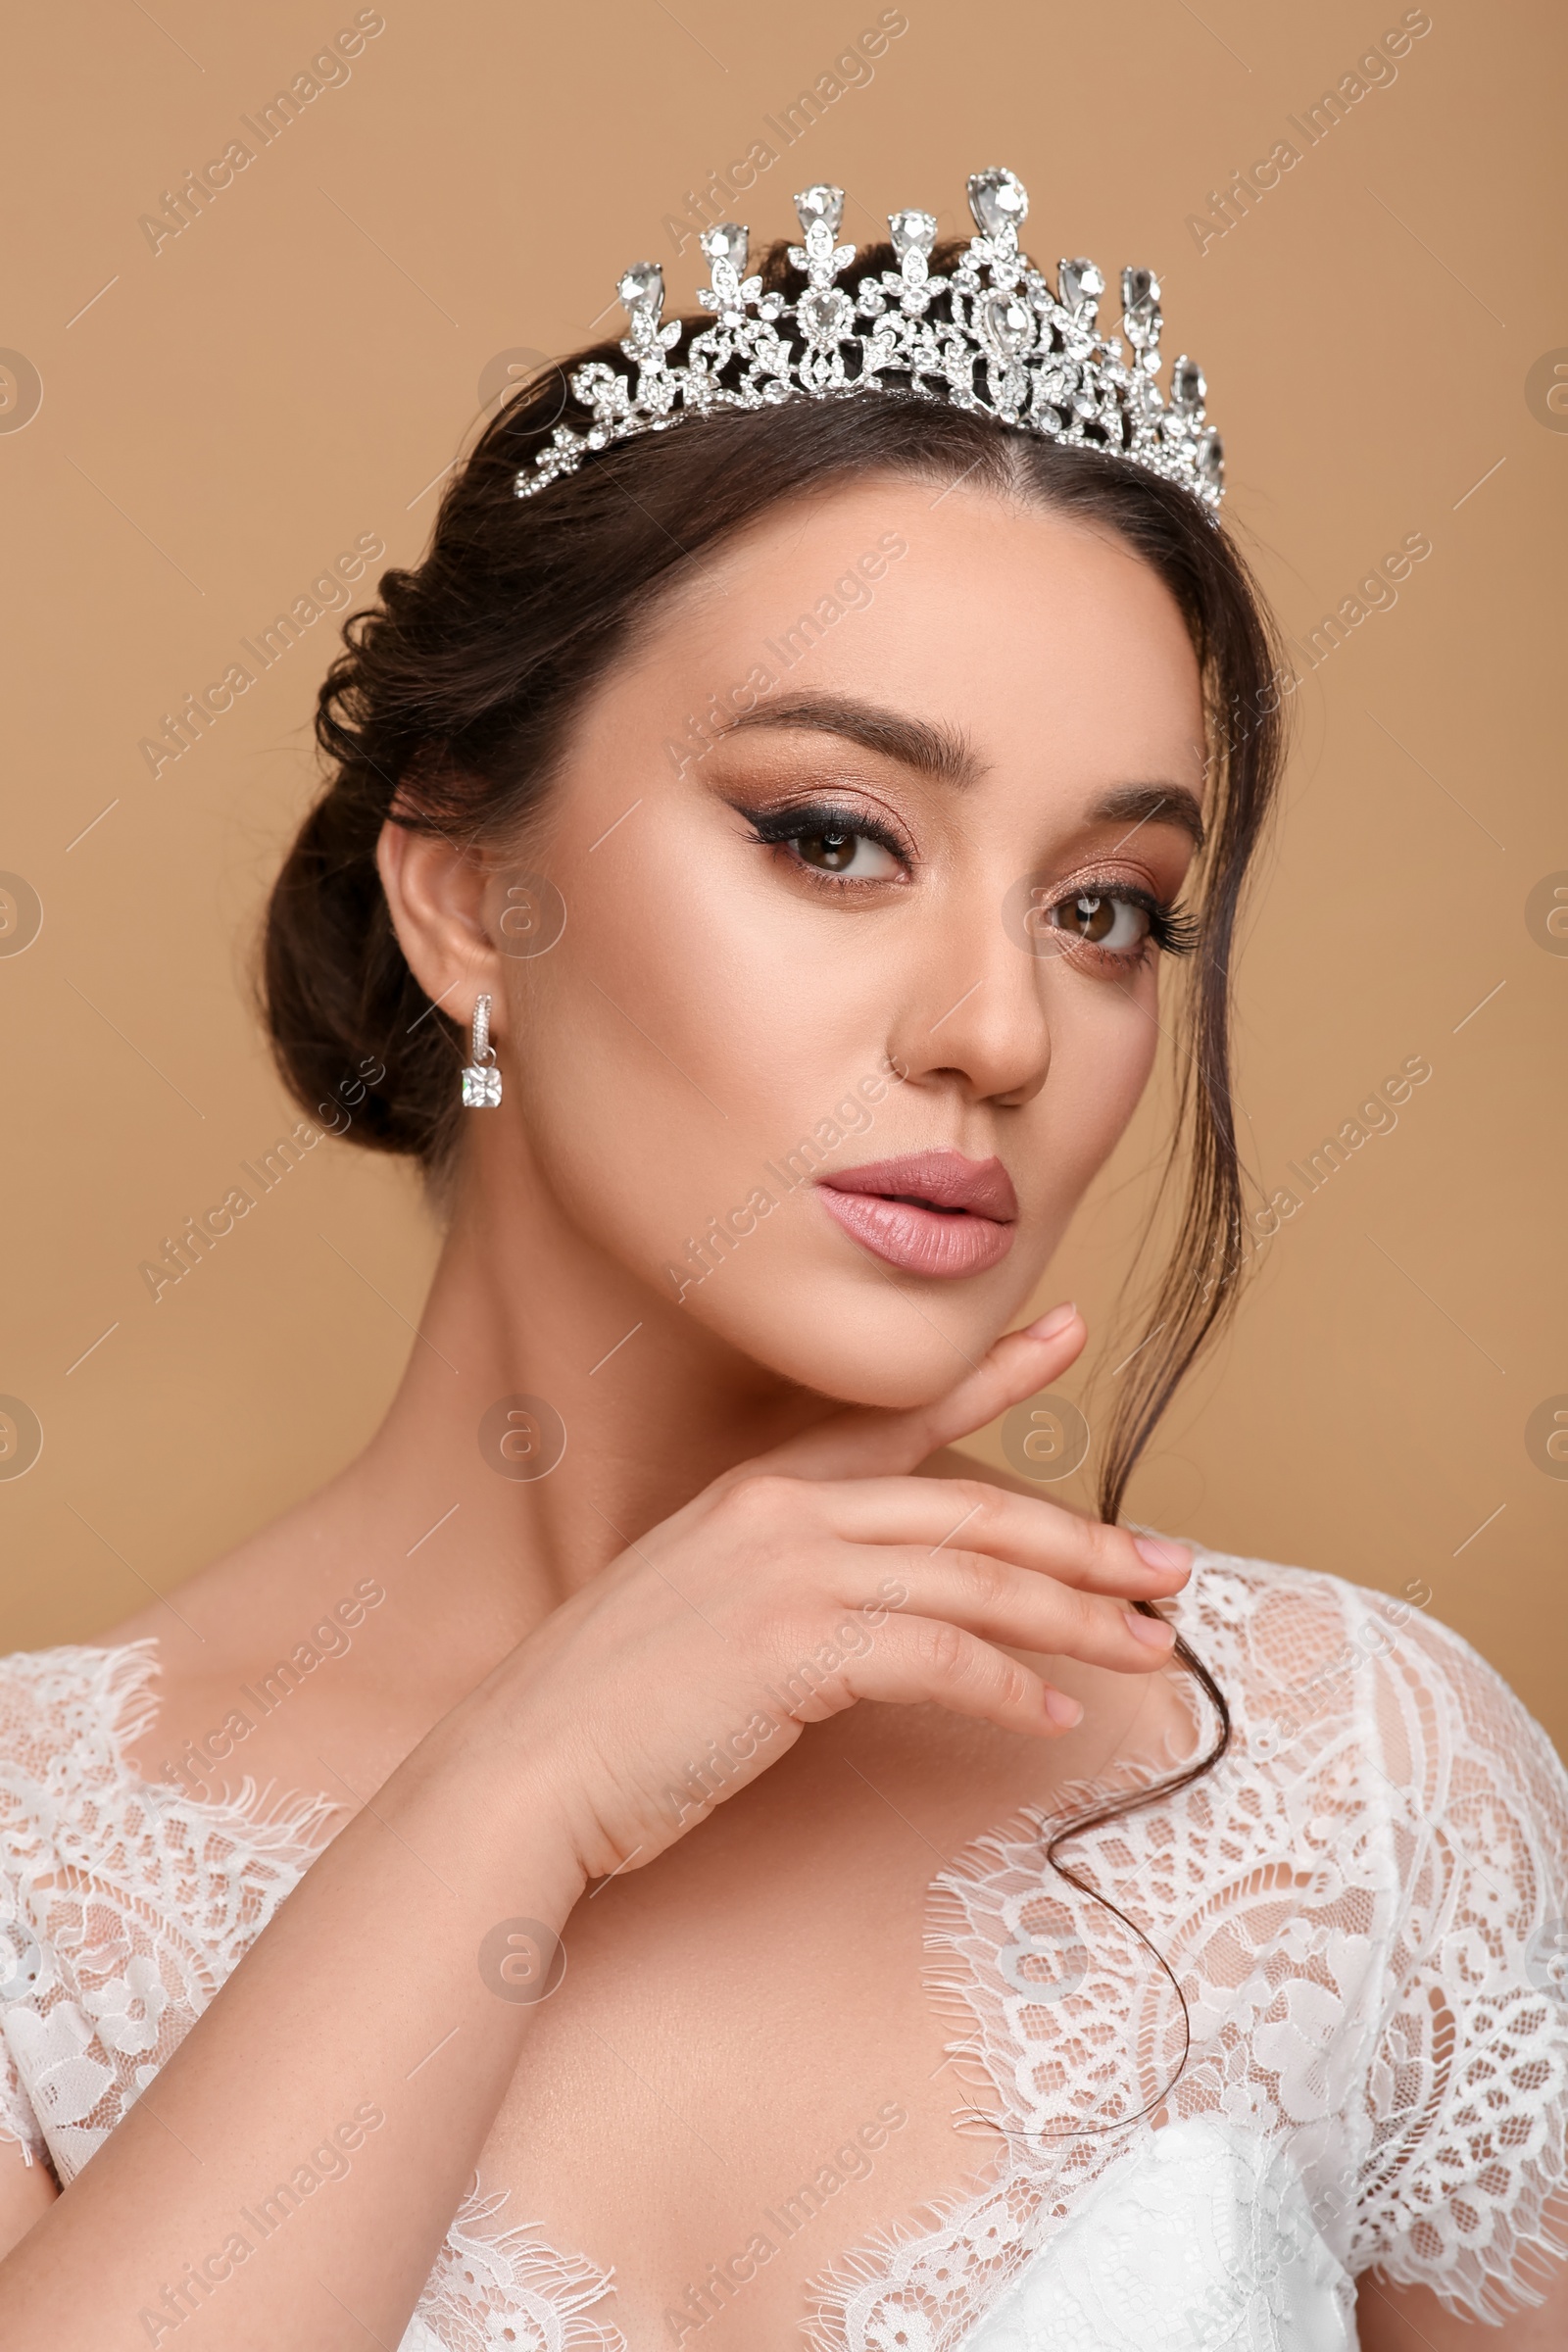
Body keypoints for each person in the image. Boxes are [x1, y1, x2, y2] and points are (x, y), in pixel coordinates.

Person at [1, 171, 1563, 2352]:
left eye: (1103, 905)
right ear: (464, 897)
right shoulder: (32, 1880)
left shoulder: (1356, 1788)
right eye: (832, 839)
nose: (999, 1033)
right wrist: (512, 1795)